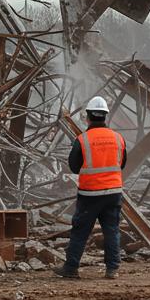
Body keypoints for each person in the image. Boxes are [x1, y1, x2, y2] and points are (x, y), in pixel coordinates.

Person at [56, 96, 127, 280]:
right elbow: (122, 163)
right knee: (111, 230)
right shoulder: (118, 138)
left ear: (87, 117)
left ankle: (71, 268)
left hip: (90, 194)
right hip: (113, 192)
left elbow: (73, 166)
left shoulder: (82, 140)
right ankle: (112, 269)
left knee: (80, 231)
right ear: (105, 117)